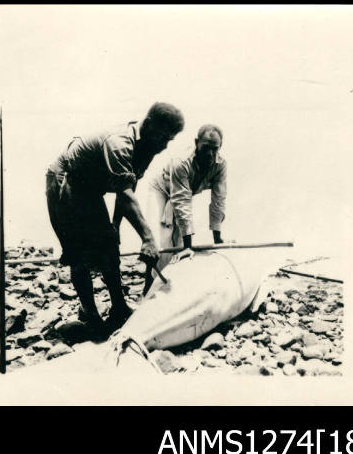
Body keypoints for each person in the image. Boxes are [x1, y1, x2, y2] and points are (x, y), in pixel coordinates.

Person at [46, 102, 184, 339]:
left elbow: (126, 191)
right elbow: (126, 194)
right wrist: (148, 238)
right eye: (162, 137)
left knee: (109, 245)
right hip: (65, 179)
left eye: (169, 140)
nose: (164, 145)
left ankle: (118, 309)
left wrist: (116, 226)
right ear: (149, 125)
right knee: (77, 253)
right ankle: (91, 316)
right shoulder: (119, 143)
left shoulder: (148, 149)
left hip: (90, 188)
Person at [143, 124, 227, 295]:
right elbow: (182, 201)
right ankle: (147, 288)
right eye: (206, 148)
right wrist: (189, 246)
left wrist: (217, 239)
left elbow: (218, 201)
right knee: (160, 243)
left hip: (181, 195)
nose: (210, 154)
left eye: (215, 149)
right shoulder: (181, 161)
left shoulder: (221, 165)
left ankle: (171, 288)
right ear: (197, 143)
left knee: (179, 247)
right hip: (161, 190)